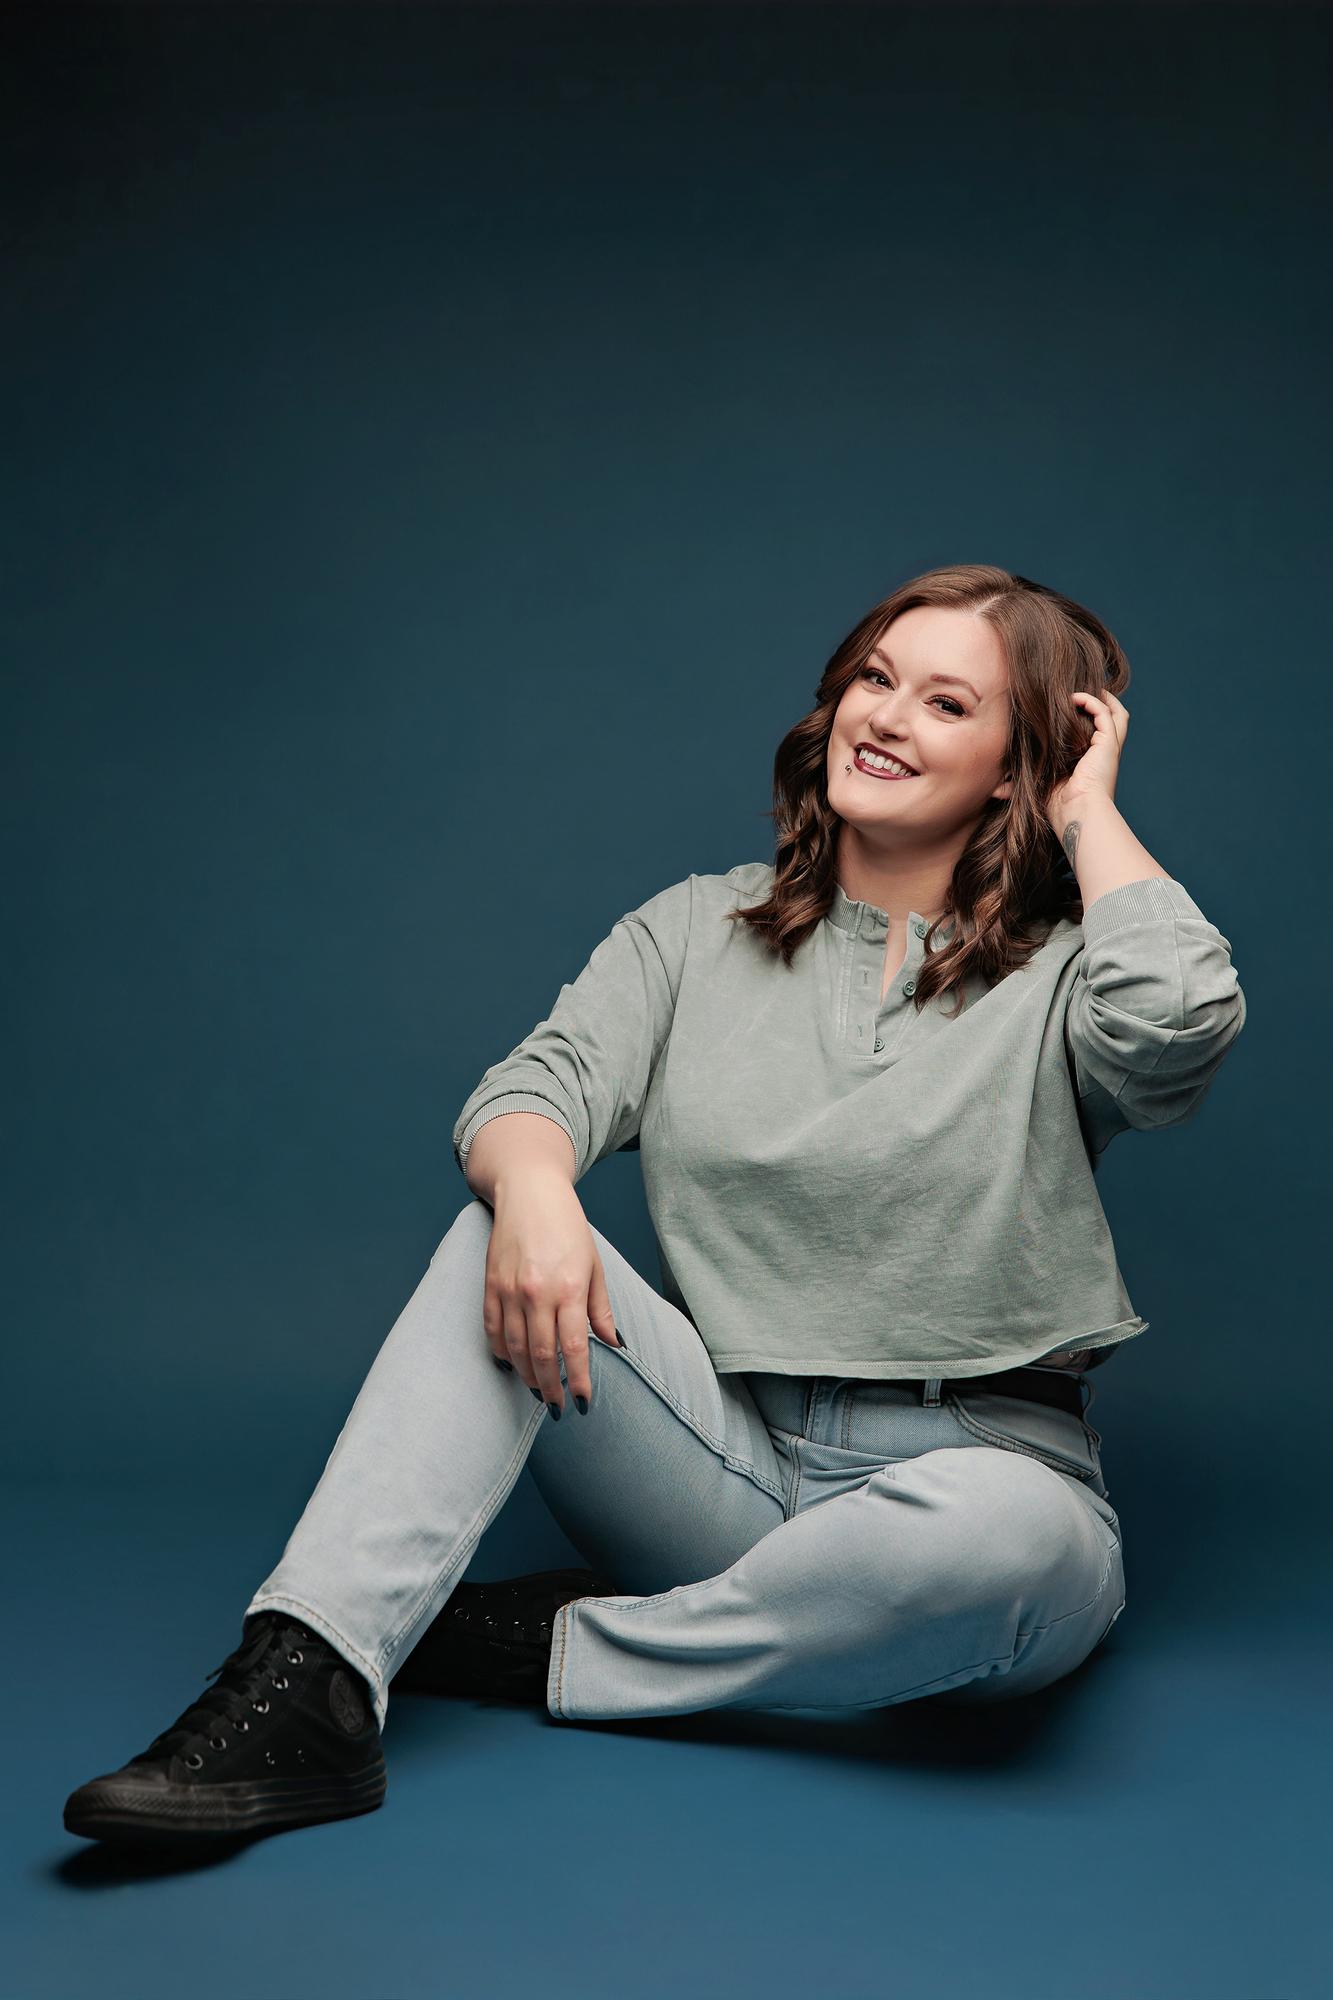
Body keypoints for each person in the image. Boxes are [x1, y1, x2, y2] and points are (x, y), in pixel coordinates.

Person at [63, 563, 1246, 1846]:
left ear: (1017, 767)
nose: (886, 717)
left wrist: (1086, 817)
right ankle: (309, 1682)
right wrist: (531, 1190)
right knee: (492, 1238)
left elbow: (1175, 1021)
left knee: (1013, 1547)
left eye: (947, 703)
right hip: (721, 1460)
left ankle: (551, 1644)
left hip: (979, 1475)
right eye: (873, 678)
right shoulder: (694, 931)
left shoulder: (1068, 970)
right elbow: (535, 1089)